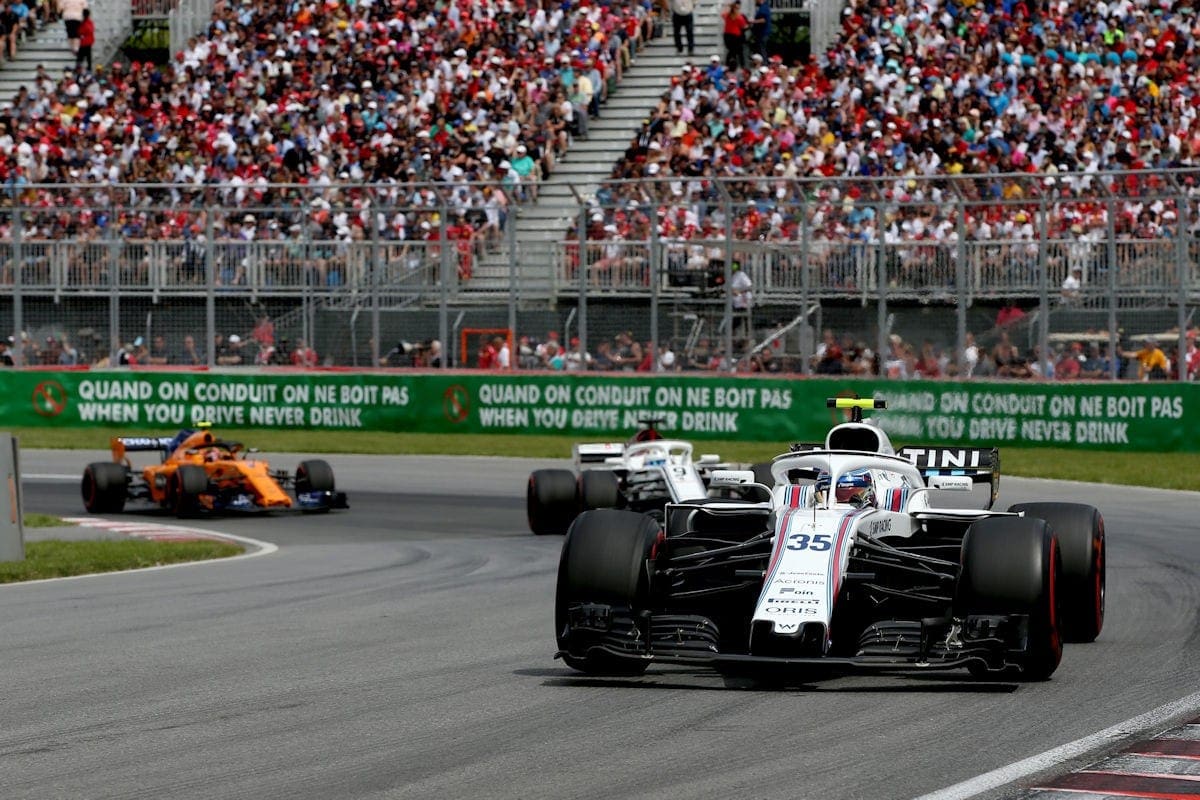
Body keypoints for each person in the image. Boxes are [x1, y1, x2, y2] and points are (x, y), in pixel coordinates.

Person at [720, 1, 749, 69]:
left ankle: (728, 65)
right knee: (739, 52)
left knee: (731, 52)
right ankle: (742, 66)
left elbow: (722, 14)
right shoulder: (739, 17)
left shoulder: (727, 15)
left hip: (727, 36)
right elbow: (744, 26)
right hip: (735, 37)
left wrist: (728, 6)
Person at [75, 8, 94, 74]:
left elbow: (84, 31)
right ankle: (81, 69)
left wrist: (82, 33)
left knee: (85, 58)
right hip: (84, 43)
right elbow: (79, 31)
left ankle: (87, 69)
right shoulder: (87, 22)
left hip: (86, 43)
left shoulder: (86, 22)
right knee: (84, 58)